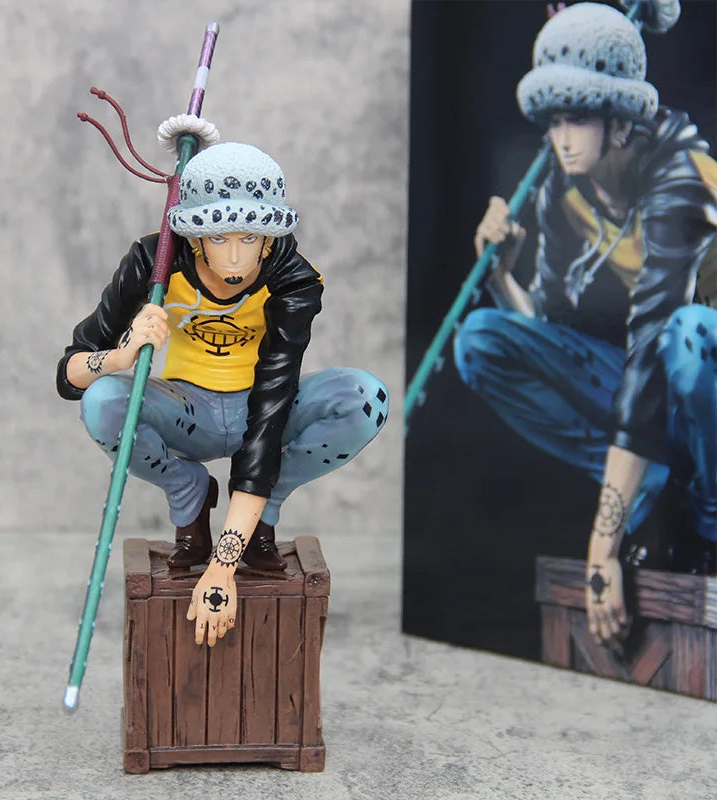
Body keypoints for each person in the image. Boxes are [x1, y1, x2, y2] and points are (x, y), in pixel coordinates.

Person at [453, 2, 717, 647]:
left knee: (689, 335)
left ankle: (710, 521)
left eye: (578, 119)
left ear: (620, 123)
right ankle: (651, 487)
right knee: (483, 340)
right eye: (554, 121)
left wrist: (602, 550)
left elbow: (654, 349)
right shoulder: (564, 188)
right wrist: (502, 276)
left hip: (699, 380)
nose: (562, 138)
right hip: (653, 399)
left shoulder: (682, 173)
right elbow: (554, 330)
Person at [57, 137, 388, 647]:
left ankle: (264, 506)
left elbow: (272, 405)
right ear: (194, 237)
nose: (235, 256)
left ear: (270, 237)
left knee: (365, 398)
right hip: (186, 411)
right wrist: (120, 358)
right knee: (102, 402)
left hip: (266, 411)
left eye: (250, 237)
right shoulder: (154, 262)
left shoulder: (293, 279)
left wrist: (223, 565)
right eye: (218, 237)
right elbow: (69, 375)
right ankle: (188, 491)